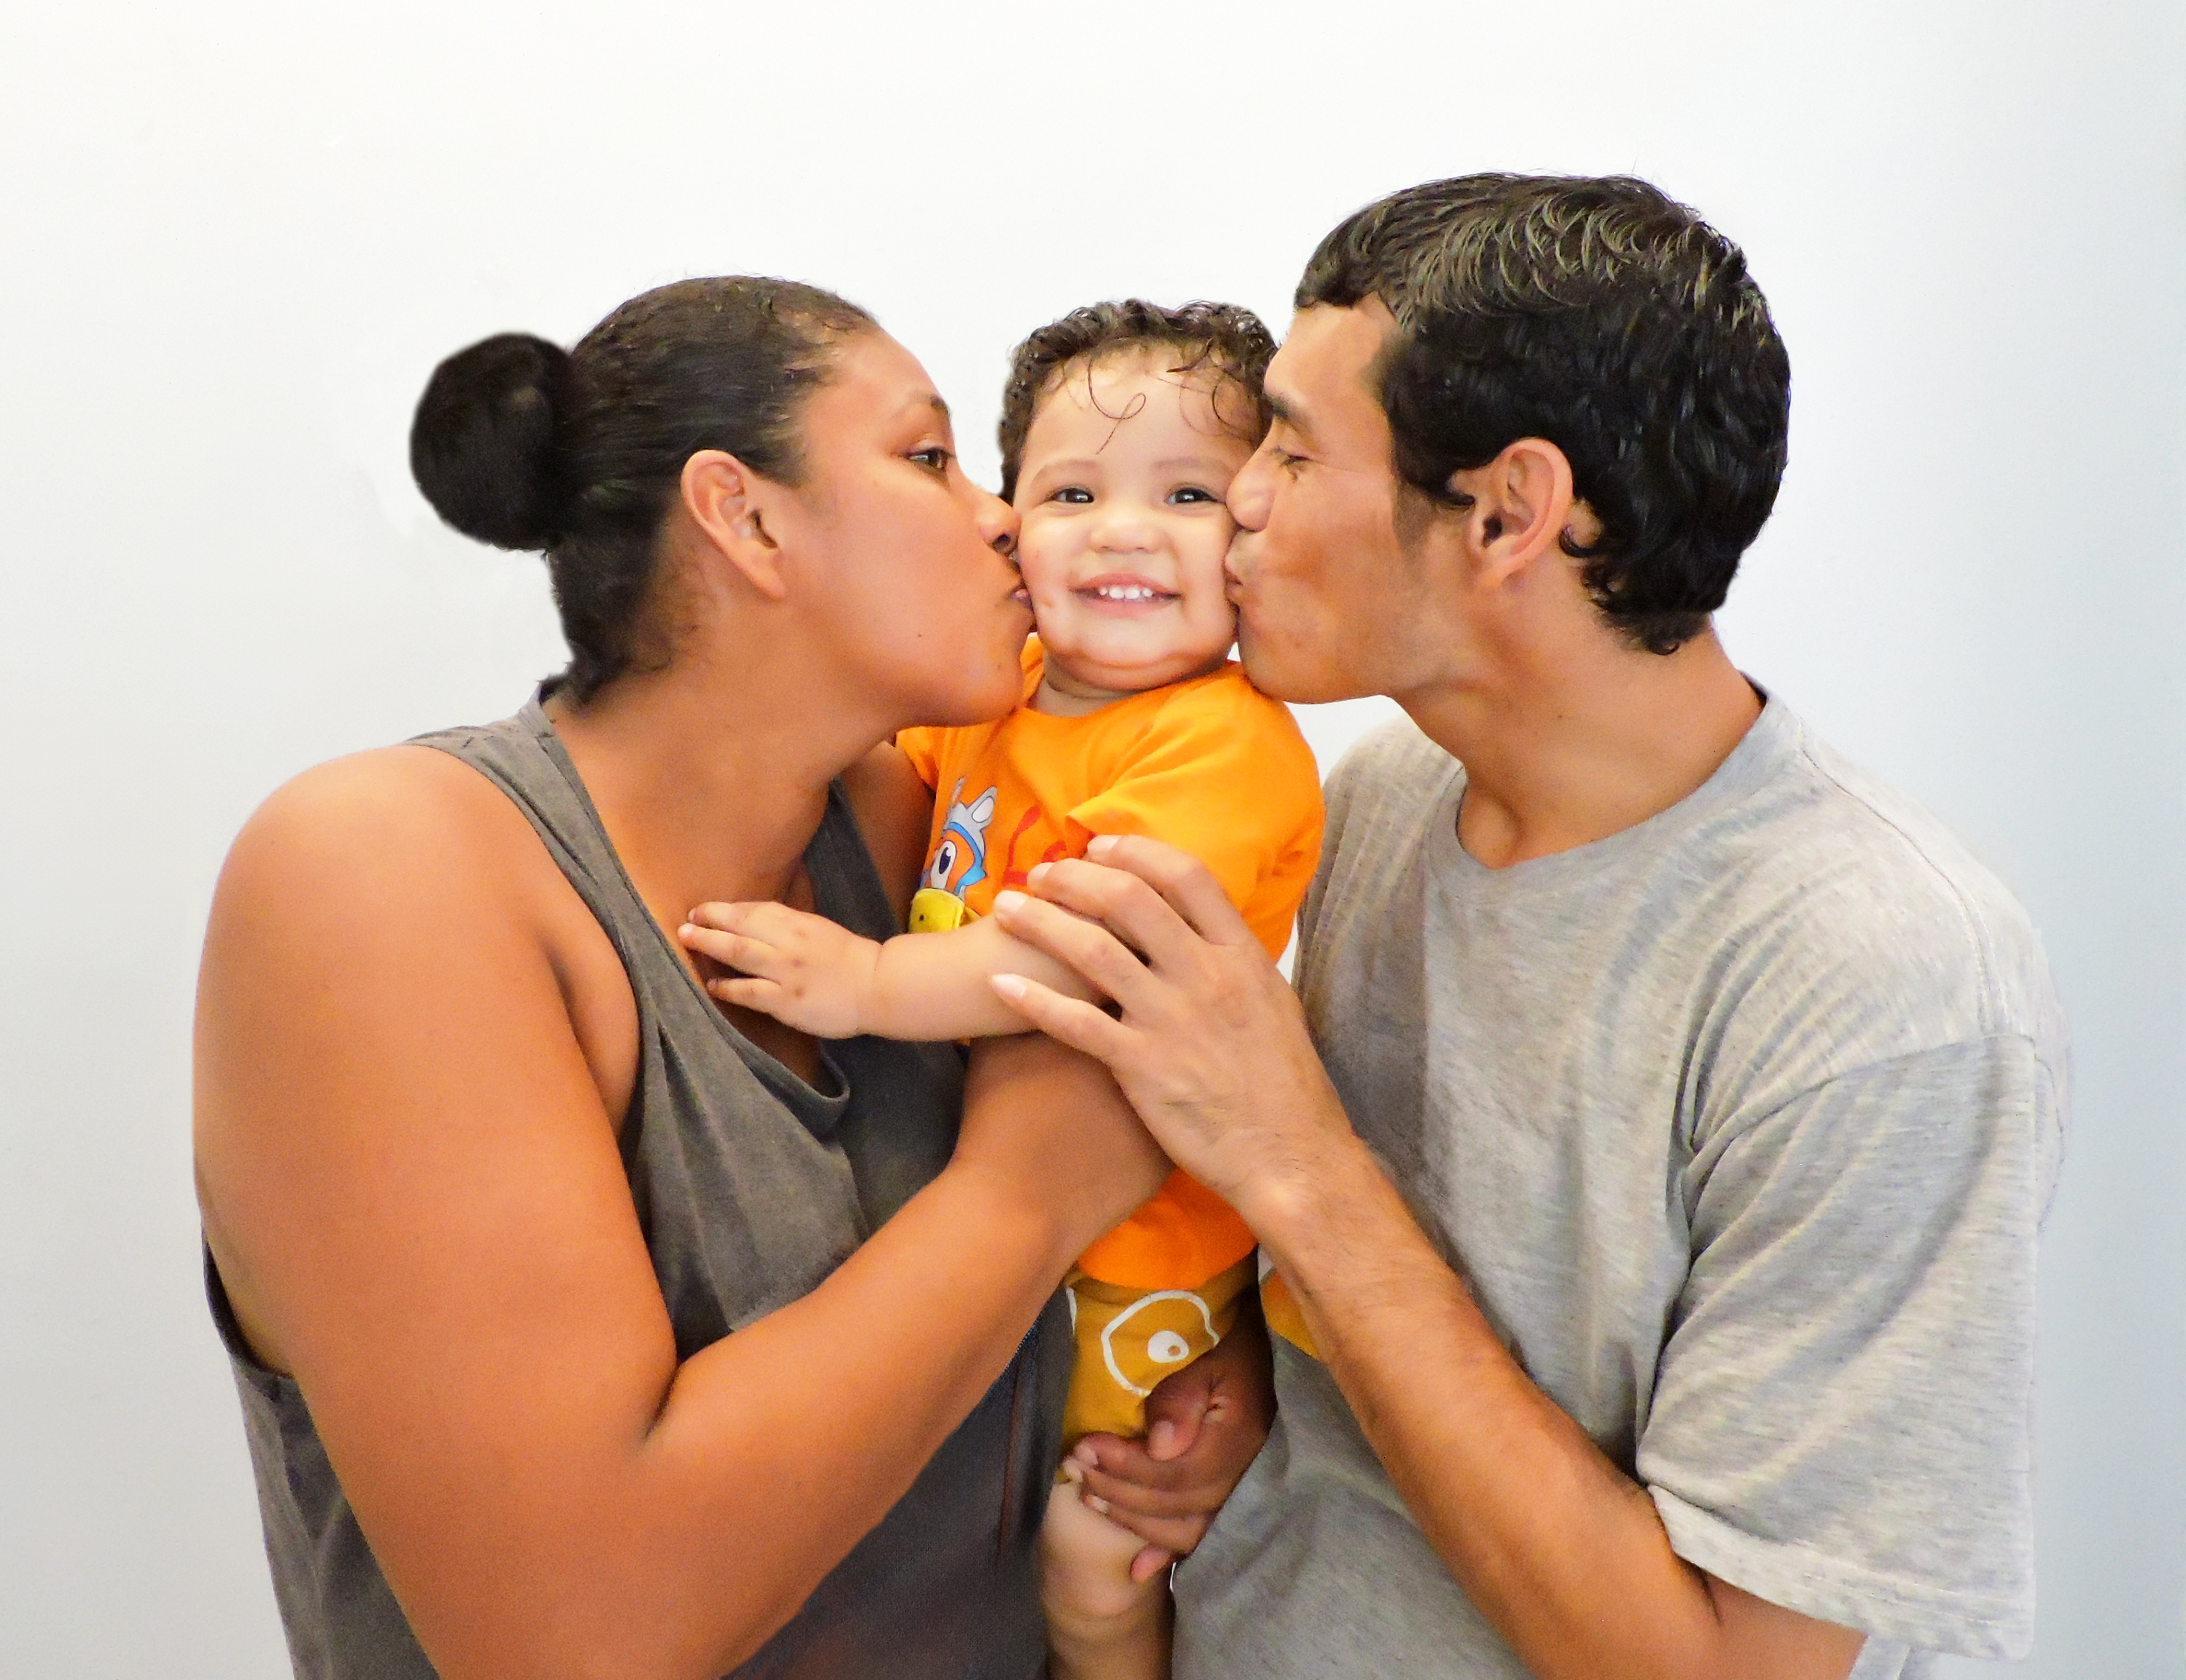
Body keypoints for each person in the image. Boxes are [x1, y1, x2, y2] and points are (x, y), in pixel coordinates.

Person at [982, 176, 2068, 1680]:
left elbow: (1715, 1669)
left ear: (1506, 512)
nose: (1236, 495)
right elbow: (1360, 1328)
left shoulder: (1882, 982)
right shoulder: (1382, 796)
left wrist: (1295, 1161)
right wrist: (1235, 1375)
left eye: (1292, 449)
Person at [192, 276, 1270, 1680]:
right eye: (929, 459)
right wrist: (1029, 1188)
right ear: (745, 519)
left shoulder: (917, 832)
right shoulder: (381, 872)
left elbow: (1109, 1269)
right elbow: (574, 1637)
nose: (1006, 514)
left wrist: (1200, 1386)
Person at [677, 300, 1321, 1679]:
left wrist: (863, 980)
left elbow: (1074, 948)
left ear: (1257, 534)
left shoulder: (1222, 743)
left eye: (1189, 495)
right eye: (1073, 492)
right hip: (1012, 1238)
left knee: (1095, 1538)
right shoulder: (998, 692)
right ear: (1012, 523)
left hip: (1144, 1253)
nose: (1124, 530)